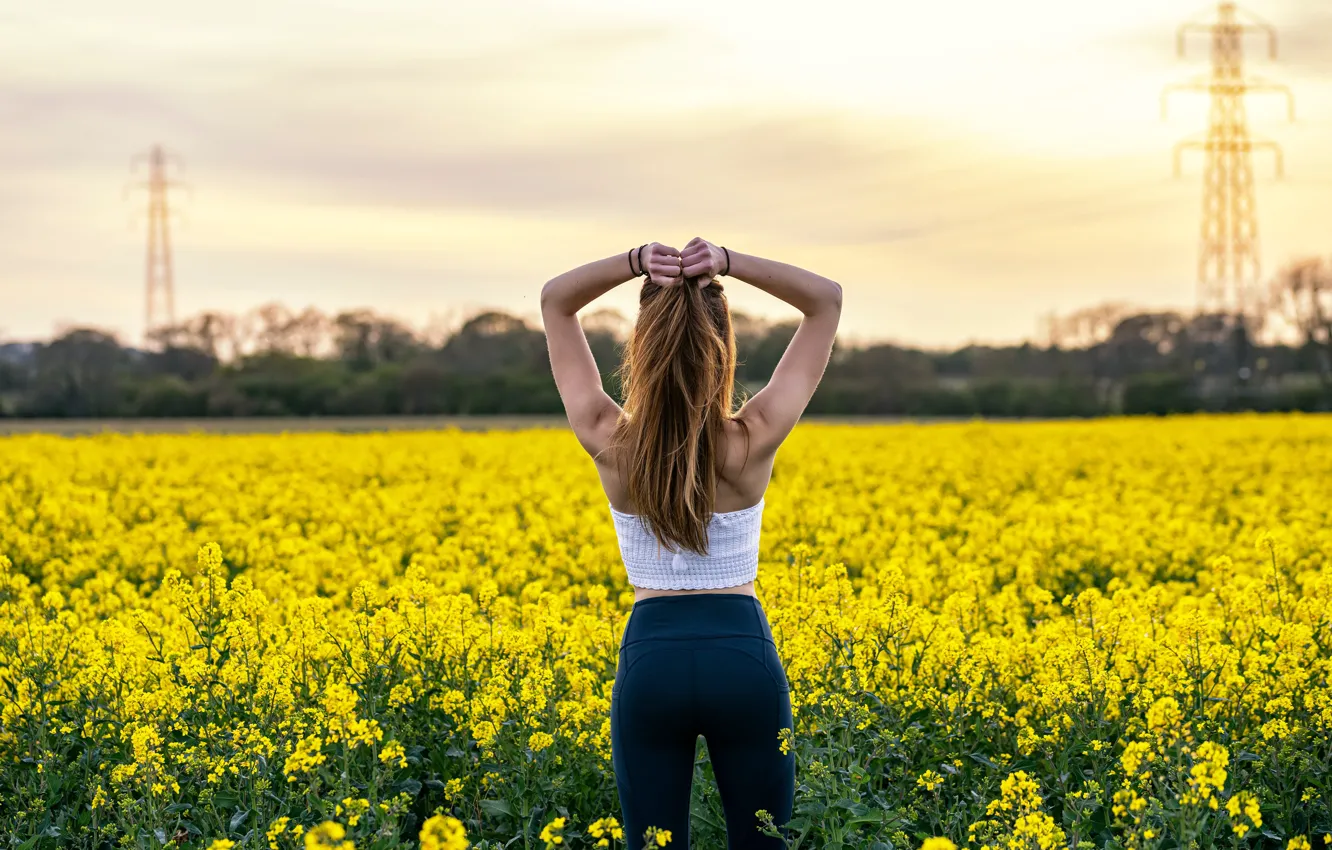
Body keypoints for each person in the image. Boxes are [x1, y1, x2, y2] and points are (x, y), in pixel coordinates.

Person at [540, 237, 842, 849]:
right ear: (724, 347)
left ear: (640, 348)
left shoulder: (609, 439)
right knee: (763, 843)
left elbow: (555, 303)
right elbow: (825, 302)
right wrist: (725, 262)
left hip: (653, 662)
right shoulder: (753, 438)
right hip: (744, 660)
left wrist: (633, 262)